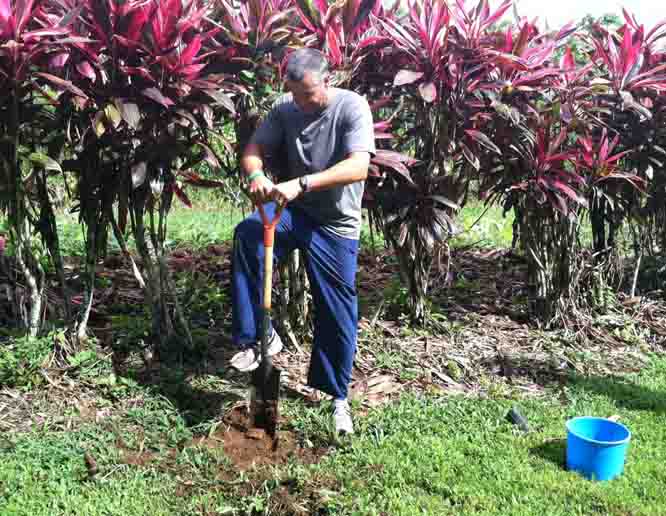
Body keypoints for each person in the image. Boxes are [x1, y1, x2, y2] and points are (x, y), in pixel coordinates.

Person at [229, 48, 376, 434]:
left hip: (336, 223)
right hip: (293, 213)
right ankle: (257, 339)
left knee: (336, 307)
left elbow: (359, 166)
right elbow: (254, 149)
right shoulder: (286, 107)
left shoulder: (352, 107)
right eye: (294, 94)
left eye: (307, 94)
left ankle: (337, 397)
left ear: (328, 80)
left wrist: (303, 183)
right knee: (247, 234)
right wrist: (255, 175)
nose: (300, 102)